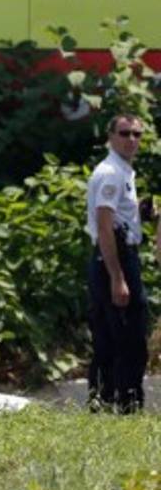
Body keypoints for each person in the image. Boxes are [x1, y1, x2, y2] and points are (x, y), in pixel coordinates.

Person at [87, 114, 149, 413]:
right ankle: (126, 403)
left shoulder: (123, 171)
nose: (132, 139)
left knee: (111, 335)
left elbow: (119, 217)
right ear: (111, 136)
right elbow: (104, 225)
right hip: (115, 258)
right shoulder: (111, 172)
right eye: (125, 133)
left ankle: (104, 400)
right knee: (130, 336)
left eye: (137, 134)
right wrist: (117, 276)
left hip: (117, 255)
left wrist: (140, 213)